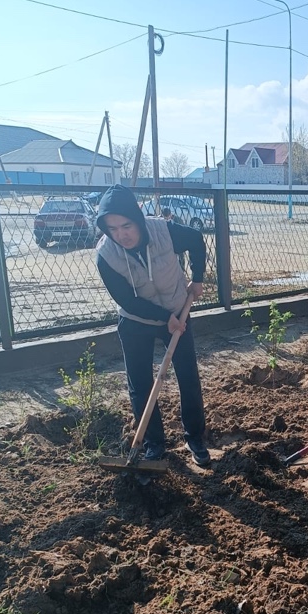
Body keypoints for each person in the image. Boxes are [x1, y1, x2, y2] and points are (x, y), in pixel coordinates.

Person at [95, 184, 211, 467]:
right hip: (136, 320)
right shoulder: (106, 255)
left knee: (188, 376)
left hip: (178, 310)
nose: (121, 235)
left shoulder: (163, 231)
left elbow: (196, 239)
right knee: (140, 384)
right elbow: (127, 300)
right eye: (113, 229)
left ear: (138, 218)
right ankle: (153, 445)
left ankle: (195, 438)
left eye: (126, 226)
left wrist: (197, 278)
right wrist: (163, 318)